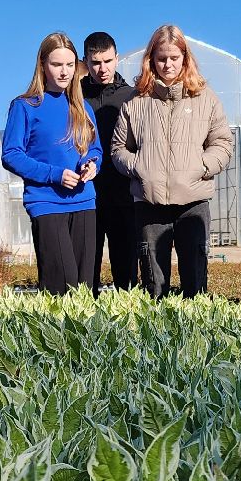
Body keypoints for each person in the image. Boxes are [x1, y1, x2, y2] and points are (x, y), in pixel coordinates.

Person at [110, 26, 234, 299]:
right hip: (149, 204)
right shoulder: (136, 101)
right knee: (155, 285)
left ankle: (198, 338)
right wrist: (139, 167)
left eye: (174, 58)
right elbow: (118, 149)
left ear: (185, 58)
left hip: (193, 202)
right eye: (161, 58)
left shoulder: (206, 98)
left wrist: (201, 166)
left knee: (195, 283)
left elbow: (223, 143)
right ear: (151, 59)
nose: (168, 65)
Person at [3, 33, 100, 294]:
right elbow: (11, 154)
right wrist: (55, 175)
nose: (64, 72)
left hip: (84, 201)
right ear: (43, 64)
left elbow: (95, 149)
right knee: (62, 288)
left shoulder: (83, 108)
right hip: (46, 203)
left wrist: (93, 165)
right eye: (57, 65)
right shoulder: (25, 106)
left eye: (70, 65)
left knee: (84, 290)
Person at [81, 32, 139, 289]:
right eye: (95, 62)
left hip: (123, 194)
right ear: (85, 62)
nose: (102, 68)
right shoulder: (75, 96)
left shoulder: (132, 96)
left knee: (125, 266)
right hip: (85, 193)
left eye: (107, 61)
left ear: (117, 58)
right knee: (86, 266)